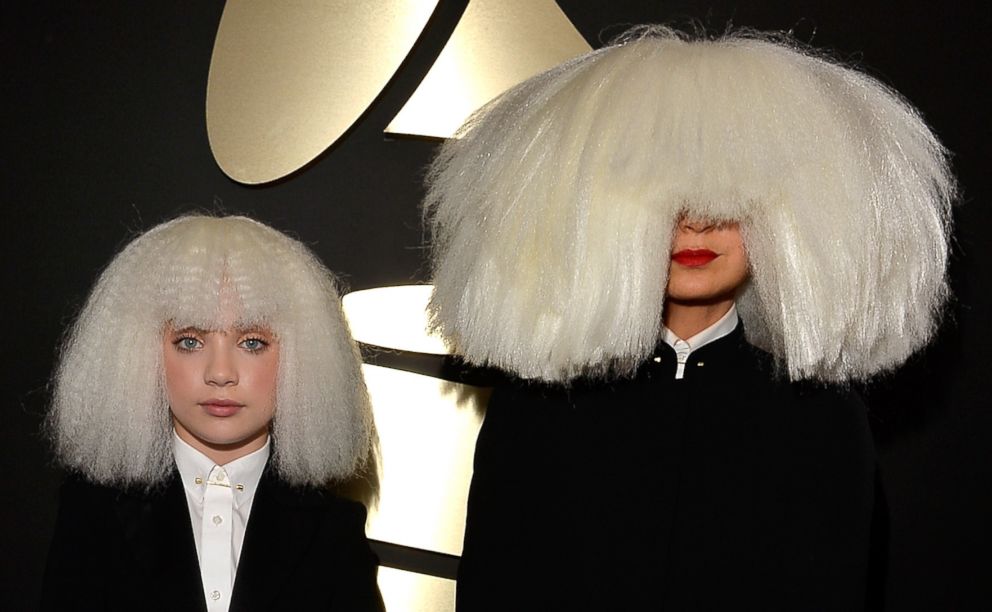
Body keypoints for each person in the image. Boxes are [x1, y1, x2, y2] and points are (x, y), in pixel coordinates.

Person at [424, 27, 954, 610]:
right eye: (666, 200)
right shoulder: (538, 409)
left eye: (728, 201)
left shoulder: (823, 419)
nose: (697, 225)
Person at [42, 215, 381, 612]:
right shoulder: (92, 513)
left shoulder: (334, 529)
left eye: (252, 343)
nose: (220, 373)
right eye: (189, 341)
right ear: (141, 351)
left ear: (300, 356)